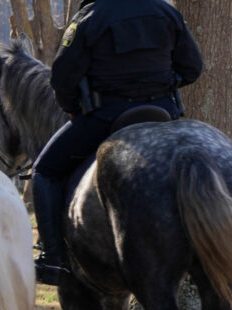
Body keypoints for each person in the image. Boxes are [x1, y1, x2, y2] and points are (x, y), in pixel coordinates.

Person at [30, 0, 203, 285]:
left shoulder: (89, 17)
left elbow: (62, 78)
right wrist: (160, 87)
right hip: (162, 113)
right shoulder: (164, 11)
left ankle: (53, 261)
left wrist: (74, 107)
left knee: (45, 171)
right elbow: (193, 67)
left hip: (105, 117)